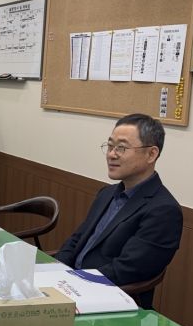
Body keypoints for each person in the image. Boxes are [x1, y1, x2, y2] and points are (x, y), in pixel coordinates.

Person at [56, 113, 183, 308]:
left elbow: (127, 270)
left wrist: (73, 280)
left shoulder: (164, 210)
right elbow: (77, 240)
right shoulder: (107, 193)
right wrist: (54, 269)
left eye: (121, 148)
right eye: (110, 146)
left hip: (108, 302)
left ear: (151, 154)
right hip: (69, 285)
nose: (111, 154)